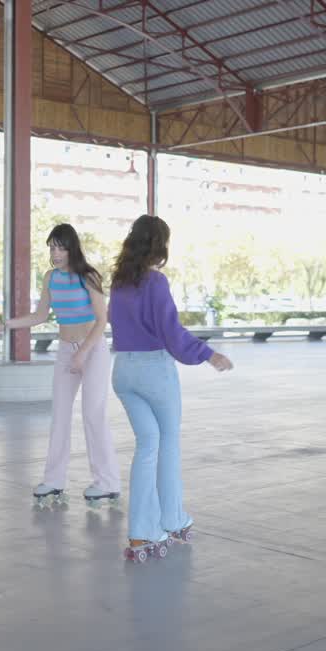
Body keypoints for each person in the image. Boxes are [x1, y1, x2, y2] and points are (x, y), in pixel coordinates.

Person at [108, 215, 233, 562]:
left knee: (147, 446)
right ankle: (173, 519)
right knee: (168, 446)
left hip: (123, 372)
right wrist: (208, 354)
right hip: (153, 372)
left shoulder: (119, 283)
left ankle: (140, 534)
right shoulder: (155, 283)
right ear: (159, 245)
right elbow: (171, 332)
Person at [0, 224, 121, 508]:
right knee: (59, 414)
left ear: (72, 248)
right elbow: (39, 316)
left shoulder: (89, 276)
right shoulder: (50, 278)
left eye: (60, 247)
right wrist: (7, 325)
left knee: (92, 415)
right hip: (66, 350)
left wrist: (82, 353)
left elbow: (102, 320)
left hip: (93, 350)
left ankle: (107, 483)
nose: (55, 253)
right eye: (51, 247)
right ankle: (54, 480)